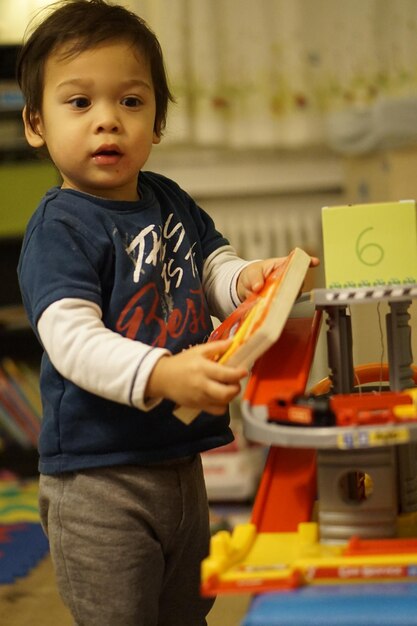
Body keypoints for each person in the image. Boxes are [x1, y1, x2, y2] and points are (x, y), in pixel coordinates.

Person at [16, 1, 318, 625]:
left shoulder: (169, 199)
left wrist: (247, 282)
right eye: (80, 103)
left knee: (188, 610)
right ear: (35, 123)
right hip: (98, 480)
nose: (108, 122)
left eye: (131, 101)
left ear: (157, 121)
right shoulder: (59, 229)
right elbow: (72, 340)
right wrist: (162, 373)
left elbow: (211, 271)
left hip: (181, 464)